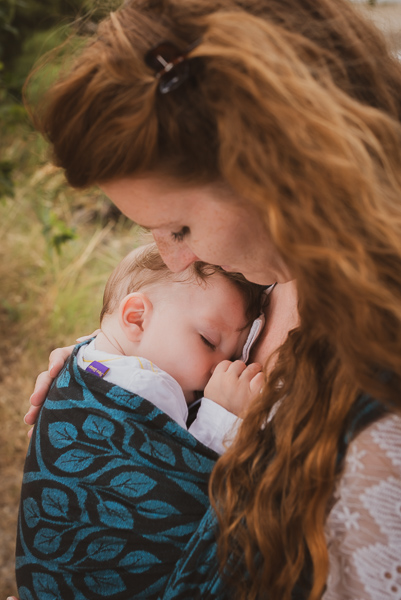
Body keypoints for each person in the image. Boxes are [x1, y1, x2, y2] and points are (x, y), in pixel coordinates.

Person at [12, 0, 401, 599]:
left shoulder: (379, 399)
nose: (173, 260)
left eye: (180, 230)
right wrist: (114, 388)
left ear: (277, 170)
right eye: (153, 234)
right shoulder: (265, 275)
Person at [15, 242, 266, 598]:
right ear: (135, 317)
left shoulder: (86, 358)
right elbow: (185, 474)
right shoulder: (152, 386)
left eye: (231, 354)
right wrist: (223, 413)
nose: (219, 368)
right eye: (209, 341)